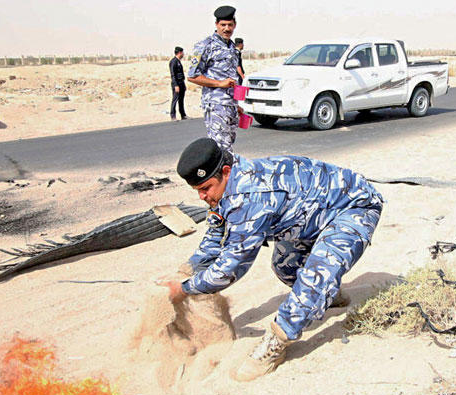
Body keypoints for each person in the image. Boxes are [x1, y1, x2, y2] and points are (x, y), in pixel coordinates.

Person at [164, 138, 384, 381]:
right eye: (197, 190)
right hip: (310, 218)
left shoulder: (250, 197)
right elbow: (216, 235)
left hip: (353, 208)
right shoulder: (225, 187)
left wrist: (185, 289)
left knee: (315, 276)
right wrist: (188, 269)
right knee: (285, 266)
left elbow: (231, 267)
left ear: (225, 172)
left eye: (206, 188)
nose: (202, 196)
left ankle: (277, 342)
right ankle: (329, 296)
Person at [187, 5, 240, 150]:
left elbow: (230, 77)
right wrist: (219, 83)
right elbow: (192, 76)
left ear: (235, 25)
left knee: (228, 144)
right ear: (216, 24)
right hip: (216, 104)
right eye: (223, 25)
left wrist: (236, 105)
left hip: (230, 105)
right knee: (221, 147)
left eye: (230, 25)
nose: (227, 29)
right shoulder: (206, 45)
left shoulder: (232, 47)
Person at [169, 46, 187, 120]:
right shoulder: (173, 61)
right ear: (180, 53)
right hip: (176, 83)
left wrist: (183, 85)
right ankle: (173, 115)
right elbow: (173, 75)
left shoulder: (178, 61)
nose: (183, 54)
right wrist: (176, 85)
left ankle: (183, 115)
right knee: (175, 99)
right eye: (182, 53)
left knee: (181, 100)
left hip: (181, 83)